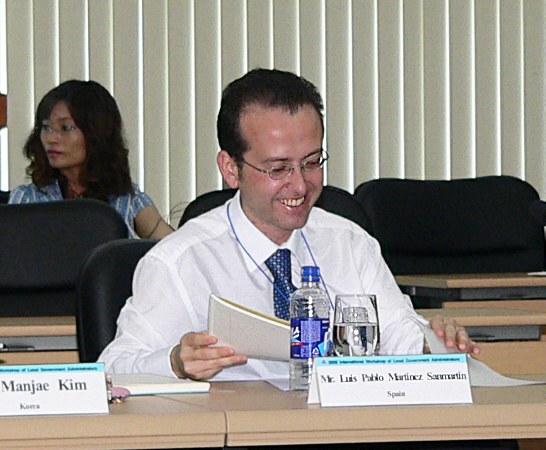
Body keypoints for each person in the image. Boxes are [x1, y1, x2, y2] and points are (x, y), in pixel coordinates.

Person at [99, 68, 480, 382]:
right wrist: (175, 363)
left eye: (312, 162)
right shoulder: (180, 261)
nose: (299, 185)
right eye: (278, 168)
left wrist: (434, 343)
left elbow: (399, 336)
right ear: (231, 168)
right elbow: (115, 368)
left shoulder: (349, 243)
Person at [9, 80, 173, 239]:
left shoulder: (127, 197)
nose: (51, 139)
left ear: (96, 133)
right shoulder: (27, 199)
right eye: (46, 127)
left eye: (66, 128)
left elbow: (172, 247)